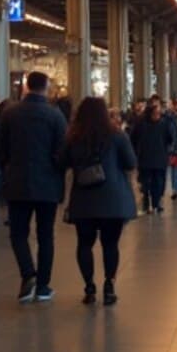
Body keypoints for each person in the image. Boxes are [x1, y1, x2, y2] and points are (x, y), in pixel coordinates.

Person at [57, 96, 137, 306]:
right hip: (113, 198)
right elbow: (130, 162)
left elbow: (62, 162)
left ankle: (89, 287)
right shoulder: (117, 135)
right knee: (110, 244)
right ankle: (109, 285)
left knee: (84, 244)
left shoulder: (73, 137)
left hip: (84, 199)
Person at [0, 70, 64, 303]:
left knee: (18, 234)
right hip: (48, 184)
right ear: (46, 87)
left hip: (18, 182)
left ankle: (27, 275)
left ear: (26, 86)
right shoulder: (55, 116)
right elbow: (62, 151)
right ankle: (43, 286)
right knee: (46, 236)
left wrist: (8, 168)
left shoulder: (10, 114)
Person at [129, 99, 172, 215]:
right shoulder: (160, 124)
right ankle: (150, 203)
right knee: (149, 182)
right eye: (156, 113)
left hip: (151, 158)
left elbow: (132, 138)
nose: (157, 116)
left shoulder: (143, 124)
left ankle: (154, 203)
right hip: (151, 158)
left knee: (154, 182)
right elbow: (170, 138)